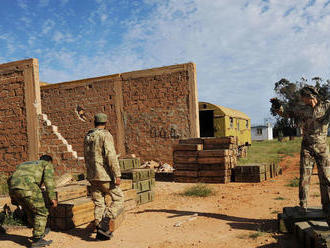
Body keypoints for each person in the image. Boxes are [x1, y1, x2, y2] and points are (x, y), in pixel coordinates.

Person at [271, 85, 330, 222]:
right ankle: (303, 206)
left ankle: (327, 208)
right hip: (307, 148)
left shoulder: (326, 106)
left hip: (322, 148)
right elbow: (286, 113)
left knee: (326, 178)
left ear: (310, 96)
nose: (301, 99)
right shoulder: (301, 109)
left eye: (303, 96)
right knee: (304, 177)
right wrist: (277, 106)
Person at [84, 113, 123, 240]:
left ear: (94, 122)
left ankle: (100, 231)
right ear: (105, 122)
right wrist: (117, 174)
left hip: (92, 175)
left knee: (99, 203)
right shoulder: (105, 135)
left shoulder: (88, 136)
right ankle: (105, 222)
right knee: (119, 199)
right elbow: (111, 156)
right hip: (104, 175)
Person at [8, 155, 57, 248]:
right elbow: (49, 181)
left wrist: (12, 197)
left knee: (30, 210)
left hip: (14, 188)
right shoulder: (47, 164)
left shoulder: (24, 164)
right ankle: (37, 239)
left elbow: (10, 178)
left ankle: (38, 231)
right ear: (50, 161)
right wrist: (52, 198)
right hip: (28, 187)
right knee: (42, 212)